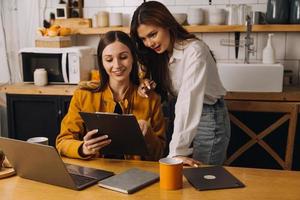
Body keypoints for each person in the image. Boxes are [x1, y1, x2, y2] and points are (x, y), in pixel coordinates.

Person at [130, 1, 230, 166]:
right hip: (179, 116)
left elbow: (187, 101)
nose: (149, 43)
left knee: (204, 175)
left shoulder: (195, 51)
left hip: (208, 117)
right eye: (143, 39)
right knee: (183, 177)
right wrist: (147, 83)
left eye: (153, 34)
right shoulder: (161, 54)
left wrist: (177, 152)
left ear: (167, 24)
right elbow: (174, 95)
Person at [56, 31, 166, 161]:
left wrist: (148, 133)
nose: (117, 65)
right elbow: (62, 142)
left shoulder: (151, 99)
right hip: (95, 171)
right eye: (109, 59)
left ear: (133, 58)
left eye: (123, 57)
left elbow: (160, 154)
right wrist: (83, 148)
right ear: (102, 62)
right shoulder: (83, 95)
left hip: (136, 174)